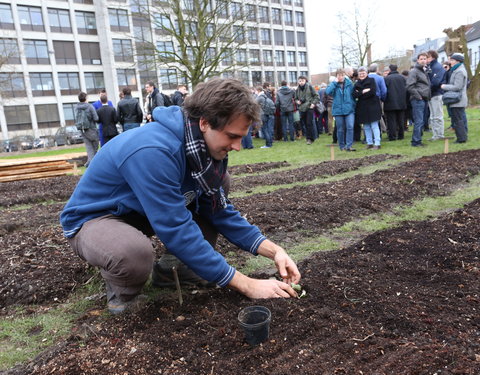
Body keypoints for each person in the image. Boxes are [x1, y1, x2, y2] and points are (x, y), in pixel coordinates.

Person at [60, 78, 301, 315]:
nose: (237, 147)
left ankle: (177, 269)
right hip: (96, 219)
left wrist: (275, 251)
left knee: (221, 181)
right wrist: (247, 284)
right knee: (133, 253)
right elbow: (176, 229)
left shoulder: (201, 152)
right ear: (205, 123)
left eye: (241, 137)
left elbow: (219, 212)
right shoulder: (154, 151)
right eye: (231, 136)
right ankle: (122, 291)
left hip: (141, 212)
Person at [326, 69, 356, 151]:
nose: (341, 77)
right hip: (338, 110)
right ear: (336, 76)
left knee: (350, 126)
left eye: (342, 75)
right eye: (339, 75)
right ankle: (342, 146)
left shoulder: (349, 83)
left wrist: (353, 105)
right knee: (340, 129)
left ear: (344, 75)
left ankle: (349, 145)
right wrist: (335, 83)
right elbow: (328, 91)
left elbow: (354, 94)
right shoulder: (333, 84)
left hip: (349, 109)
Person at [441, 53, 468, 143]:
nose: (450, 62)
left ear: (457, 61)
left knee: (458, 120)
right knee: (458, 119)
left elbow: (457, 87)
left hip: (458, 100)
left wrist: (444, 86)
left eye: (452, 60)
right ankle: (462, 137)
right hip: (457, 100)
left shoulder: (459, 71)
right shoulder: (457, 70)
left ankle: (461, 139)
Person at [353, 67, 382, 150]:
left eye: (363, 73)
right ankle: (369, 143)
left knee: (374, 125)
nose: (362, 75)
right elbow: (354, 94)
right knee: (366, 126)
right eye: (360, 73)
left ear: (367, 73)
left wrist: (360, 93)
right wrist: (363, 91)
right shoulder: (356, 83)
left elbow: (372, 92)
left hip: (373, 106)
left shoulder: (372, 80)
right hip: (362, 107)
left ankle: (377, 143)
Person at [406, 53, 431, 147]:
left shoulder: (423, 71)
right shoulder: (414, 71)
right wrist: (418, 96)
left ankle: (418, 140)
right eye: (421, 59)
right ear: (418, 60)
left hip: (424, 99)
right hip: (418, 99)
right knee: (419, 121)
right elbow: (409, 86)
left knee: (423, 121)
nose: (423, 60)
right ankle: (416, 141)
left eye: (425, 59)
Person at [75, 92, 99, 167]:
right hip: (91, 129)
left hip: (82, 129)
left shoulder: (76, 107)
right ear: (85, 98)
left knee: (89, 147)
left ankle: (89, 162)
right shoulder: (90, 106)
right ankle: (92, 163)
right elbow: (96, 118)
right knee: (95, 146)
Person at [384, 64, 407, 141]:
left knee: (391, 121)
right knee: (401, 120)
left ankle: (392, 136)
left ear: (390, 70)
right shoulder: (403, 78)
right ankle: (401, 135)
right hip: (401, 102)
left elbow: (384, 91)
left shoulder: (387, 79)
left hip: (390, 102)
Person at [426, 50, 446, 140]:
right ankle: (435, 135)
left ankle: (439, 135)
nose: (426, 59)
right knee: (433, 116)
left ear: (432, 57)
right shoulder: (431, 67)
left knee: (437, 116)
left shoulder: (437, 67)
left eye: (427, 57)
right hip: (431, 94)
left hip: (436, 94)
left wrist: (427, 89)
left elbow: (435, 82)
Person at [294, 75, 319, 145]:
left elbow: (316, 96)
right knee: (304, 124)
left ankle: (310, 139)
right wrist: (297, 101)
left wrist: (313, 104)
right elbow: (295, 98)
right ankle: (311, 137)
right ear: (298, 81)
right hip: (302, 108)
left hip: (309, 107)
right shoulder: (297, 89)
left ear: (305, 81)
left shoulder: (310, 87)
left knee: (309, 123)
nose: (301, 82)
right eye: (300, 81)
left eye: (303, 80)